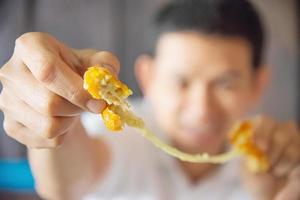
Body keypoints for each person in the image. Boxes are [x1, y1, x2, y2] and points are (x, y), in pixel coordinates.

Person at [0, 0, 299, 199]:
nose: (202, 110)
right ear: (148, 77)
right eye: (180, 82)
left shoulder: (275, 159)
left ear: (258, 84)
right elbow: (66, 182)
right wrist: (48, 120)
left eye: (225, 84)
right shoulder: (122, 138)